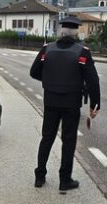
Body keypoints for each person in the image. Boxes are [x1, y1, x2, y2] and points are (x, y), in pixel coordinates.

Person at [29, 16, 101, 191]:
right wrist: (94, 104)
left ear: (61, 32)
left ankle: (39, 176)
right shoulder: (82, 52)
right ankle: (65, 179)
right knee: (68, 140)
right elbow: (92, 81)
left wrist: (49, 80)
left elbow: (34, 72)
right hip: (71, 102)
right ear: (76, 33)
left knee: (47, 137)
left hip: (51, 100)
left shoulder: (47, 49)